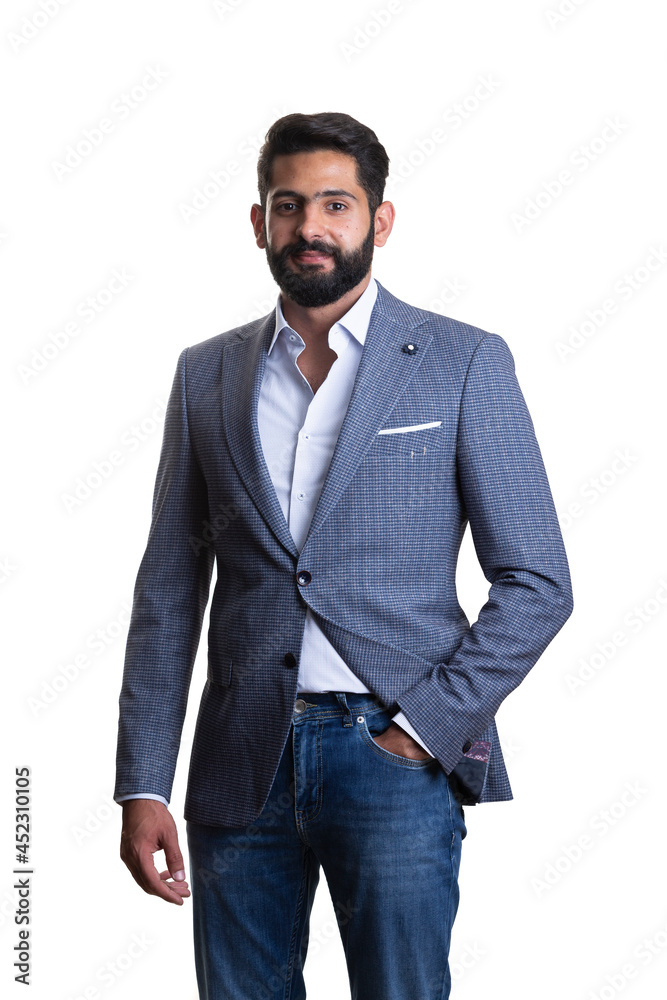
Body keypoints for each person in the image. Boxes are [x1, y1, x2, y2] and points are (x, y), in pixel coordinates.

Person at [115, 111, 573, 1000]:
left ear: (380, 219)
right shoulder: (203, 374)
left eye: (335, 203)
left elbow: (538, 581)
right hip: (235, 764)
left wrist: (422, 732)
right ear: (259, 223)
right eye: (288, 206)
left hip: (391, 754)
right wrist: (142, 781)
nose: (310, 227)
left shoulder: (462, 362)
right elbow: (168, 589)